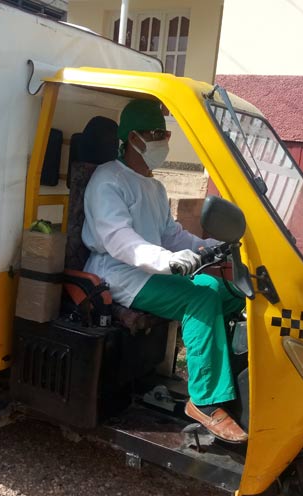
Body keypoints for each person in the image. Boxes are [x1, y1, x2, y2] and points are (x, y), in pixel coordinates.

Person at [81, 99, 247, 443]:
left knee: (224, 292)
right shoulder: (107, 180)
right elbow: (118, 239)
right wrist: (165, 260)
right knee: (200, 300)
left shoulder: (153, 186)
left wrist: (209, 246)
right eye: (154, 132)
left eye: (164, 132)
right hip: (120, 274)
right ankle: (204, 402)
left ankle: (228, 383)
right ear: (132, 137)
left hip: (152, 269)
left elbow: (170, 233)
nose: (162, 139)